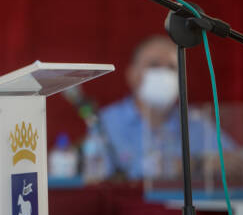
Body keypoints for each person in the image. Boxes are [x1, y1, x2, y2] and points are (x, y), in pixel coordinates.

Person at [94, 33, 233, 179]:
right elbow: (97, 178)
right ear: (132, 74)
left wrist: (195, 164)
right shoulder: (106, 123)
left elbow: (238, 162)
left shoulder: (196, 122)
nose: (163, 74)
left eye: (172, 67)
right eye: (154, 65)